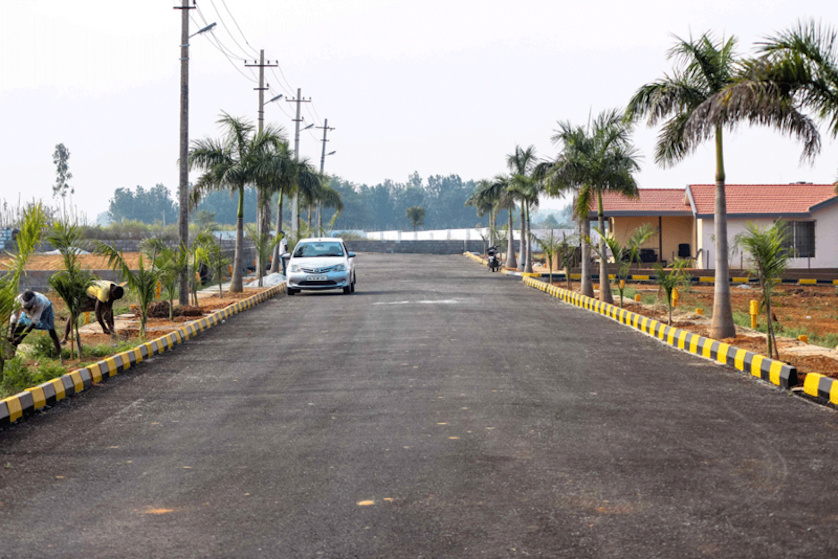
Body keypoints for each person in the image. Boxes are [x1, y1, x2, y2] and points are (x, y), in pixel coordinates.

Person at [9, 290, 62, 357]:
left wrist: (21, 338)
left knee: (51, 330)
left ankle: (60, 354)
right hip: (26, 312)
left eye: (28, 307)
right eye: (25, 307)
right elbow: (14, 317)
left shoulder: (40, 302)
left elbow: (34, 322)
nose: (27, 308)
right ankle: (11, 355)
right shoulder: (17, 301)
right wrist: (11, 334)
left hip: (45, 309)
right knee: (17, 331)